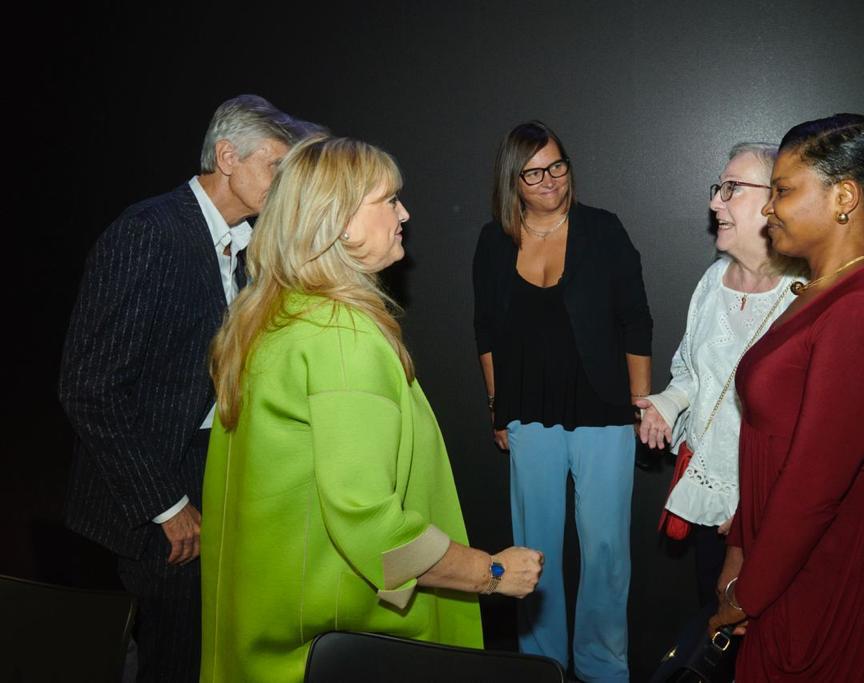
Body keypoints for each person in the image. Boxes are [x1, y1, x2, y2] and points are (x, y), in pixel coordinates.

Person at [201, 136, 543, 683]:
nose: (404, 214)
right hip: (337, 648)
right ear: (339, 222)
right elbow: (373, 530)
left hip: (268, 640)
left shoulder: (269, 318)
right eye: (389, 200)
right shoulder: (341, 336)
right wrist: (493, 572)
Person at [59, 94, 304, 682]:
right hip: (150, 489)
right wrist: (165, 505)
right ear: (227, 157)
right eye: (275, 165)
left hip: (206, 469)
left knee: (198, 649)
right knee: (170, 659)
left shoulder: (248, 246)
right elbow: (88, 387)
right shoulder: (148, 232)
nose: (285, 183)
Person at [709, 114, 864, 681]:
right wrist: (740, 549)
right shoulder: (821, 290)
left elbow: (814, 484)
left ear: (844, 197)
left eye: (783, 190)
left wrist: (749, 593)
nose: (769, 208)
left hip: (835, 564)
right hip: (788, 560)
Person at [473, 120, 652, 682]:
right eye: (533, 173)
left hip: (604, 411)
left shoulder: (603, 229)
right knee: (532, 551)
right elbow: (486, 331)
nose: (549, 180)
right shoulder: (493, 241)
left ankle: (603, 668)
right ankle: (542, 666)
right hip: (528, 415)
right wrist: (498, 406)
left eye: (557, 166)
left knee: (606, 551)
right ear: (512, 180)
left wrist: (640, 403)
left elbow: (635, 320)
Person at [637, 142, 804, 608]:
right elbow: (693, 371)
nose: (715, 202)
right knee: (715, 614)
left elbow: (820, 426)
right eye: (718, 188)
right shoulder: (713, 281)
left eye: (732, 188)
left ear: (775, 200)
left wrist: (757, 508)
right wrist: (667, 404)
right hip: (714, 500)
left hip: (779, 508)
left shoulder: (806, 293)